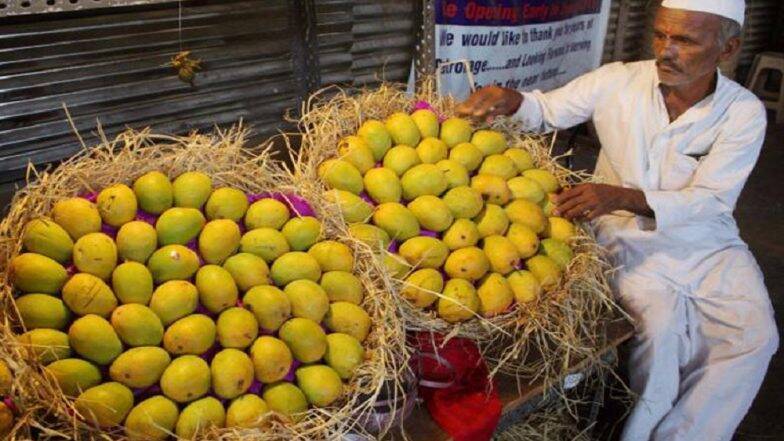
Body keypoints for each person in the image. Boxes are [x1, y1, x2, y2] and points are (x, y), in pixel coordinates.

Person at [457, 1, 778, 440]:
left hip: (708, 243)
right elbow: (546, 109)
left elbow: (712, 202)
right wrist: (510, 99)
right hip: (625, 236)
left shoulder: (742, 112)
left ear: (728, 49)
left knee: (752, 337)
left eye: (684, 40)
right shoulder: (617, 81)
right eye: (661, 35)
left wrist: (620, 195)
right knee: (661, 334)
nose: (666, 50)